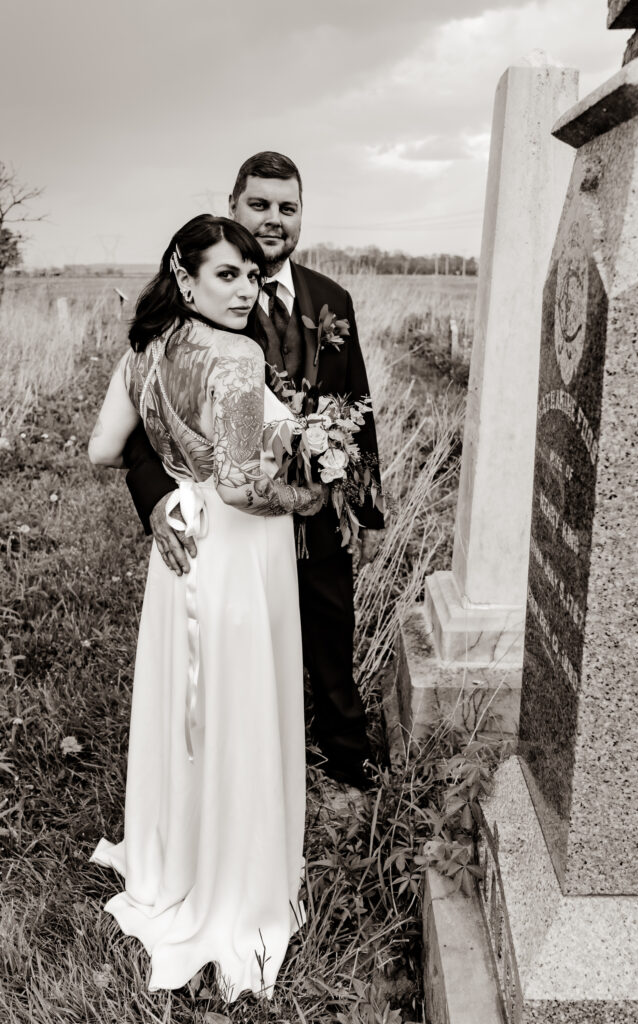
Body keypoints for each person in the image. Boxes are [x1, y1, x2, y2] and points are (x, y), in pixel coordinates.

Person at [88, 215, 325, 999]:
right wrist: (312, 492)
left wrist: (167, 493)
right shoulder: (238, 354)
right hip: (234, 551)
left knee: (190, 711)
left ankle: (176, 853)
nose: (244, 290)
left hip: (179, 545)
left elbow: (101, 449)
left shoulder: (143, 352)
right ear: (185, 279)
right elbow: (242, 484)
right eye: (226, 275)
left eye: (252, 277)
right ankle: (232, 876)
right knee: (235, 702)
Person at [123, 153, 385, 790]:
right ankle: (243, 764)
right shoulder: (185, 310)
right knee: (238, 637)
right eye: (259, 205)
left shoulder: (332, 299)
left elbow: (356, 401)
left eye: (287, 208)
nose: (273, 220)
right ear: (234, 208)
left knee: (329, 620)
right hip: (229, 512)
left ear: (301, 217)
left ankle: (344, 753)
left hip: (314, 499)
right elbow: (139, 422)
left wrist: (361, 500)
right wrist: (156, 497)